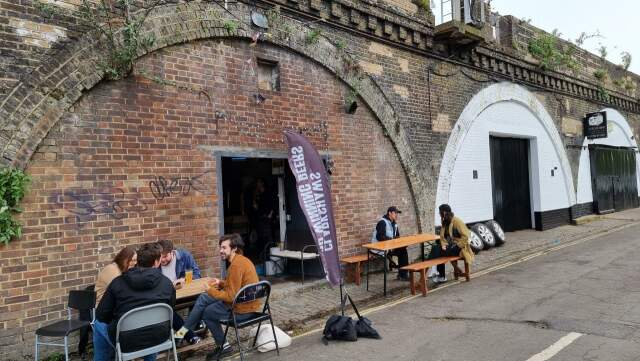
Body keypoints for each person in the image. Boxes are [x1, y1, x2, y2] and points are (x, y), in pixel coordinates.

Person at [174, 234, 261, 361]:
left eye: (224, 248)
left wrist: (210, 290)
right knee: (204, 299)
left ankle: (220, 345)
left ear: (234, 248)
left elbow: (231, 296)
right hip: (246, 302)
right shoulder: (241, 261)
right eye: (220, 247)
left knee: (208, 311)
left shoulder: (236, 266)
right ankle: (182, 334)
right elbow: (235, 286)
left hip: (243, 309)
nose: (221, 250)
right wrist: (220, 283)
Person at [94, 243, 175, 361]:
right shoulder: (167, 284)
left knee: (98, 324)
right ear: (157, 262)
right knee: (152, 327)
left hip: (126, 341)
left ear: (138, 260)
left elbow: (102, 315)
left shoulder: (117, 283)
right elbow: (170, 311)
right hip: (159, 337)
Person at [92, 246, 137, 361]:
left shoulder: (125, 271)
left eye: (136, 260)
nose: (134, 263)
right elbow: (122, 292)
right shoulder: (112, 270)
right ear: (123, 259)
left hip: (116, 310)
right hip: (103, 311)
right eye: (131, 260)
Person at [157, 239, 202, 345]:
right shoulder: (155, 262)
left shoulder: (184, 256)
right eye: (160, 257)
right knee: (166, 309)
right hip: (168, 298)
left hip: (186, 295)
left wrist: (184, 279)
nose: (162, 260)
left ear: (172, 252)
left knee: (201, 298)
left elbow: (197, 274)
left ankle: (181, 334)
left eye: (165, 256)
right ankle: (188, 335)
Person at [428, 204, 475, 283]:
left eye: (440, 212)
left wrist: (457, 246)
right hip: (450, 246)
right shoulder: (445, 222)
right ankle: (438, 273)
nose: (439, 214)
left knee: (436, 250)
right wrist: (443, 244)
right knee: (437, 249)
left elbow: (467, 236)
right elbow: (442, 237)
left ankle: (436, 272)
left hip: (460, 248)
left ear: (444, 212)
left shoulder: (457, 221)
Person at [373, 206, 409, 281]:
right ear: (389, 213)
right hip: (379, 249)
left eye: (397, 213)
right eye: (395, 213)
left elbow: (397, 237)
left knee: (403, 250)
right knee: (402, 251)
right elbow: (379, 237)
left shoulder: (394, 224)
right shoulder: (382, 222)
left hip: (389, 247)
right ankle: (402, 274)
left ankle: (403, 275)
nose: (396, 215)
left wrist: (402, 241)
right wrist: (392, 240)